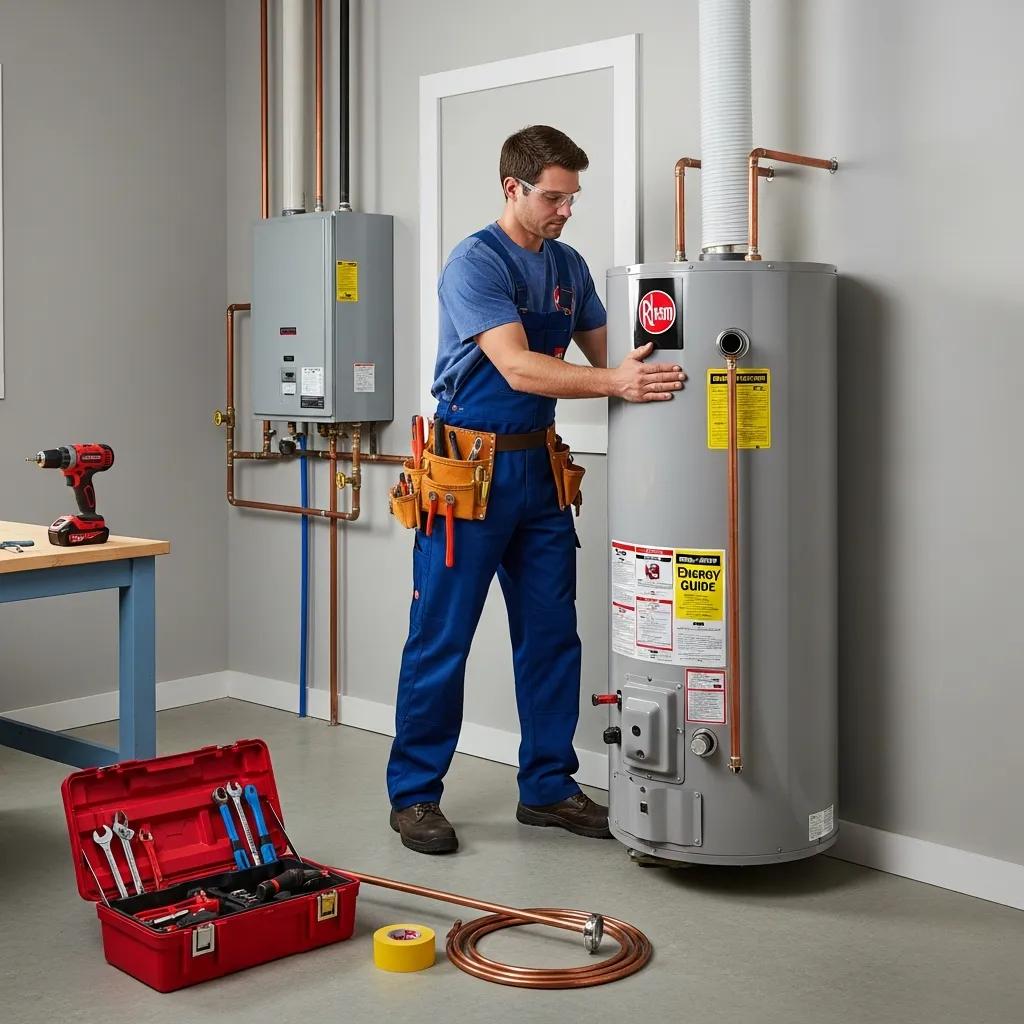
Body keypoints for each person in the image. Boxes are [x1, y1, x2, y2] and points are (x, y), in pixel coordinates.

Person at [387, 125, 687, 853]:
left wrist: (676, 353)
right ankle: (415, 795)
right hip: (468, 477)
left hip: (539, 477)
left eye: (572, 197)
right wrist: (616, 381)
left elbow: (614, 354)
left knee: (553, 636)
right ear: (512, 188)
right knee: (441, 641)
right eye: (553, 197)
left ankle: (548, 787)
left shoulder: (568, 265)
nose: (565, 210)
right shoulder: (474, 265)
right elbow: (520, 368)